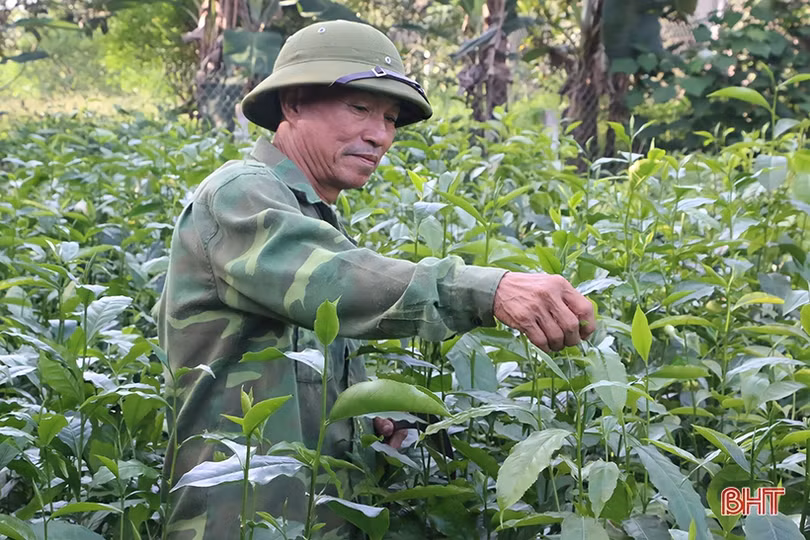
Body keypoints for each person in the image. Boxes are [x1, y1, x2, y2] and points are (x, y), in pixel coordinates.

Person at [156, 19, 596, 539]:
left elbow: (303, 356)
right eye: (360, 108)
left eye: (390, 118)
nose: (379, 135)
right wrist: (489, 288)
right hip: (239, 522)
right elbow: (332, 284)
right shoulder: (239, 193)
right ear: (293, 104)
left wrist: (369, 415)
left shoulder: (312, 216)